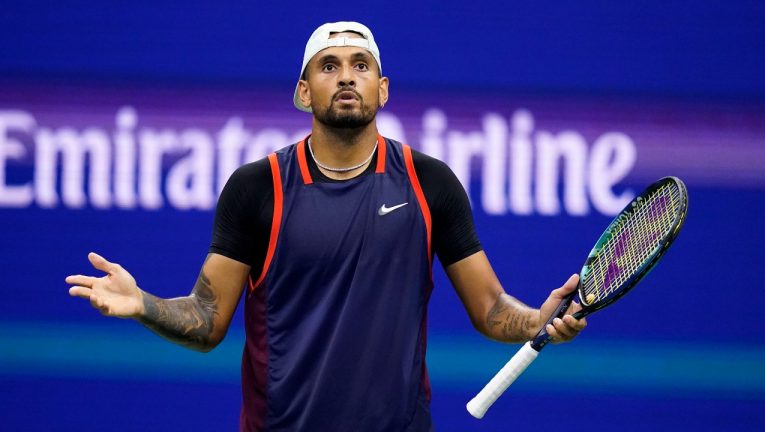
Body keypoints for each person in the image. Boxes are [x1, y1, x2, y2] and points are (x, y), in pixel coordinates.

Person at [67, 21, 586, 432]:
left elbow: (491, 308)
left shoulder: (430, 183)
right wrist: (143, 304)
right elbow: (207, 319)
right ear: (303, 90)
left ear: (382, 89)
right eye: (328, 66)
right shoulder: (257, 188)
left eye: (361, 66)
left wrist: (538, 319)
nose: (345, 77)